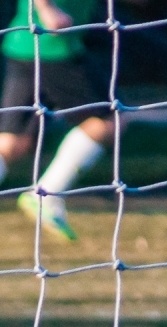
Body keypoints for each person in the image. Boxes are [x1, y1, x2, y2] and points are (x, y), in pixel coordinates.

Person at [0, 0, 114, 241]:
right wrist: (46, 9)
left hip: (25, 44)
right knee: (107, 121)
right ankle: (46, 194)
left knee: (11, 144)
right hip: (53, 45)